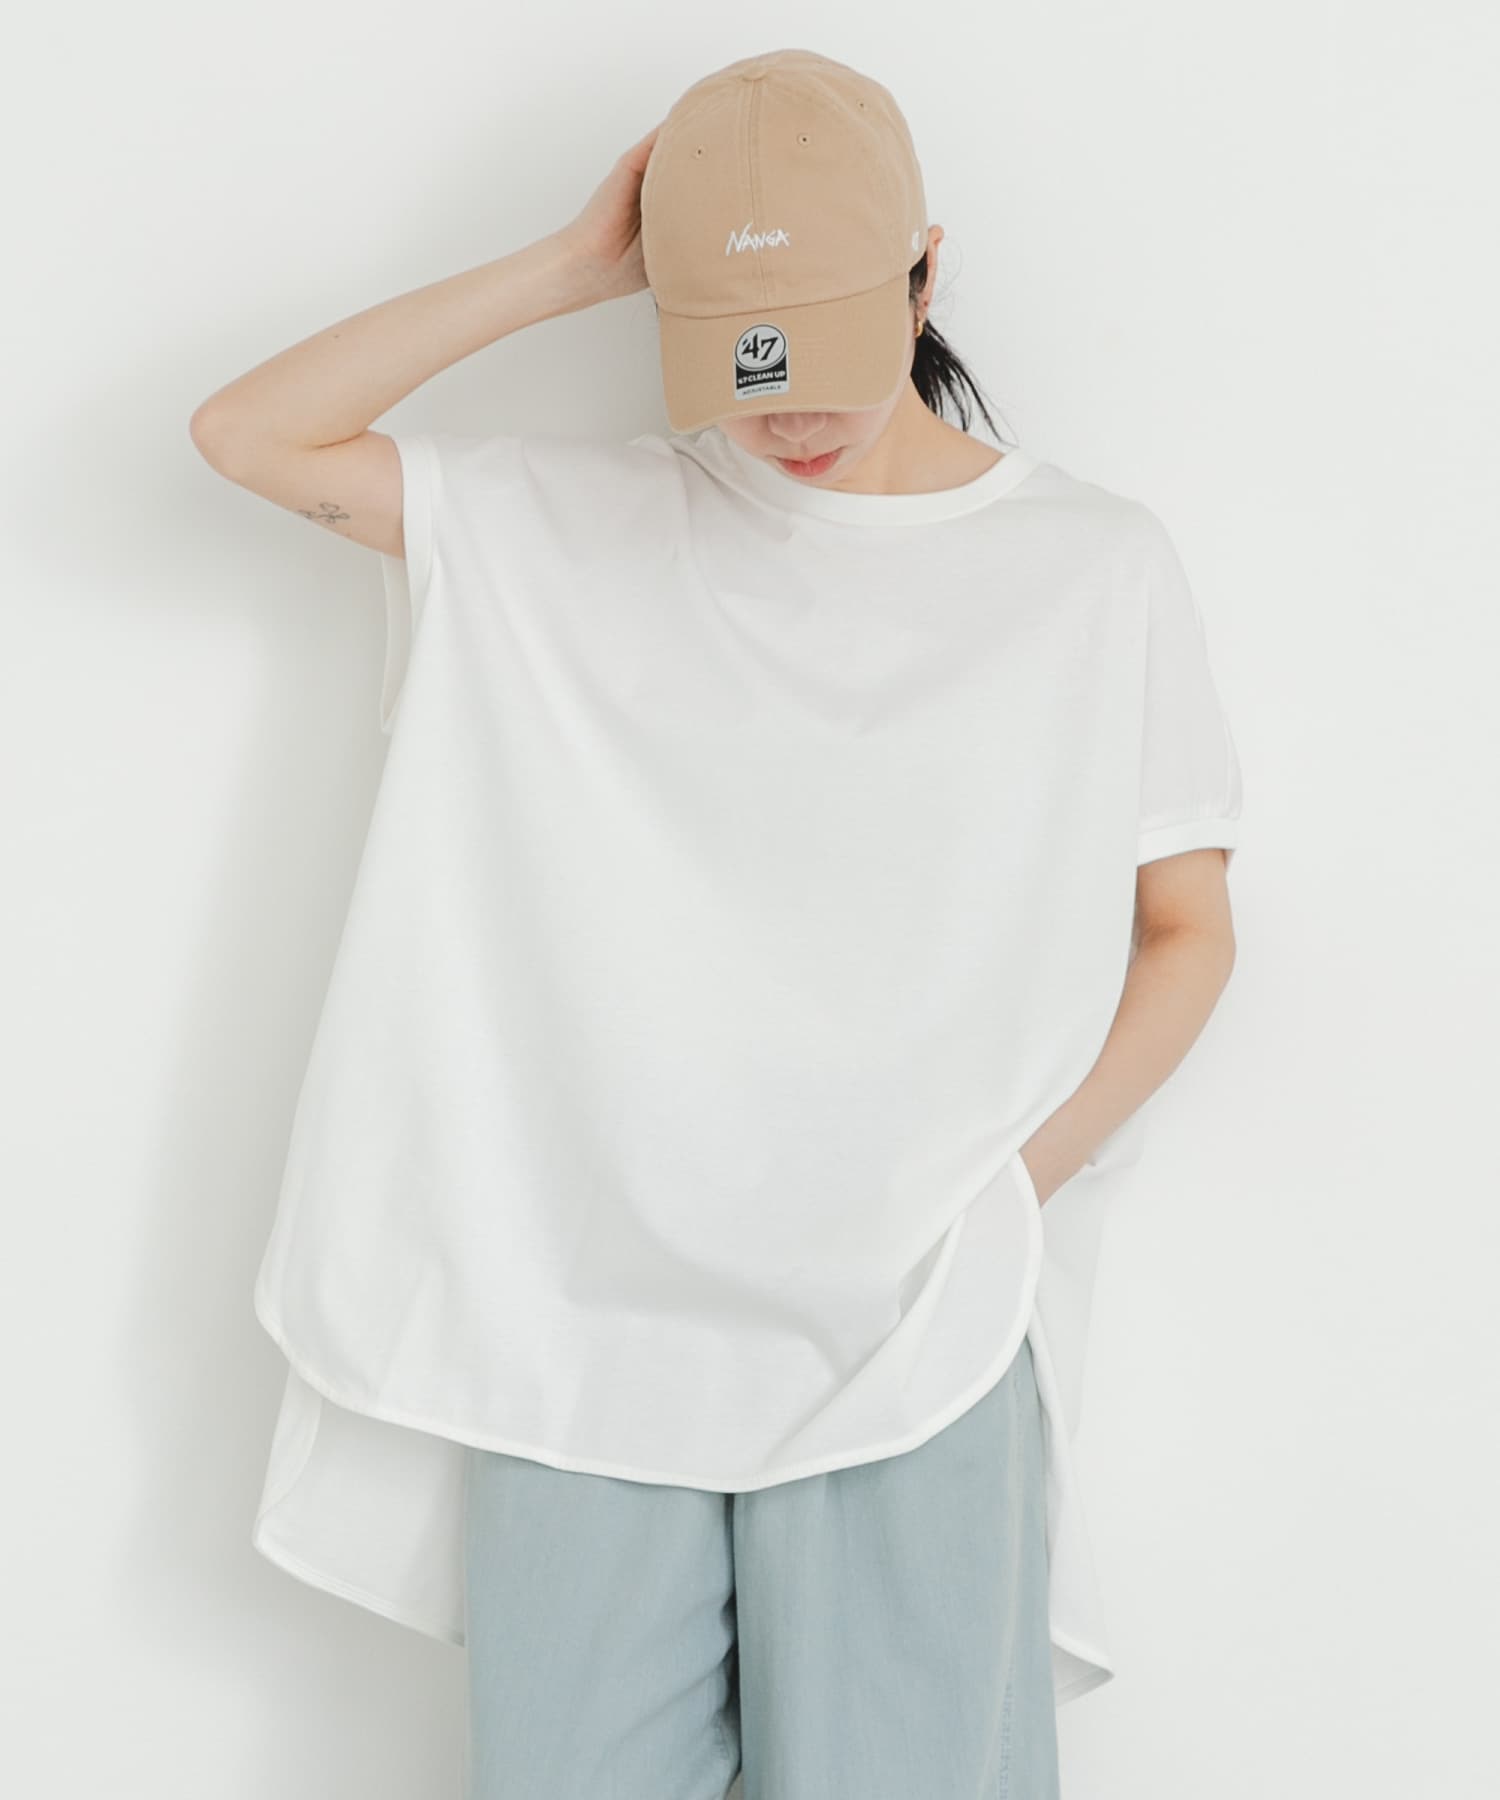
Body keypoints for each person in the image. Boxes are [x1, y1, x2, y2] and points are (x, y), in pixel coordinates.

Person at [191, 46, 1242, 1800]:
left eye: (824, 348)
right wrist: (567, 267)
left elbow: (1188, 930)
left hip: (918, 1326)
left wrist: (1006, 1190)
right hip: (580, 1322)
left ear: (924, 272)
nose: (791, 413)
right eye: (744, 362)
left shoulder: (1089, 566)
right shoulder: (563, 526)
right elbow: (247, 436)